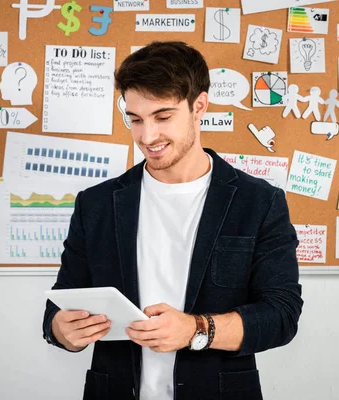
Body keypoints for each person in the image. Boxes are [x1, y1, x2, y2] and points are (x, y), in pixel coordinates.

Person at [42, 41, 303, 400]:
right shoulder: (96, 204)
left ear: (199, 106)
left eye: (162, 117)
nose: (147, 136)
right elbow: (59, 308)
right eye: (135, 120)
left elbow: (282, 316)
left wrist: (197, 329)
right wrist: (61, 330)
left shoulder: (259, 202)